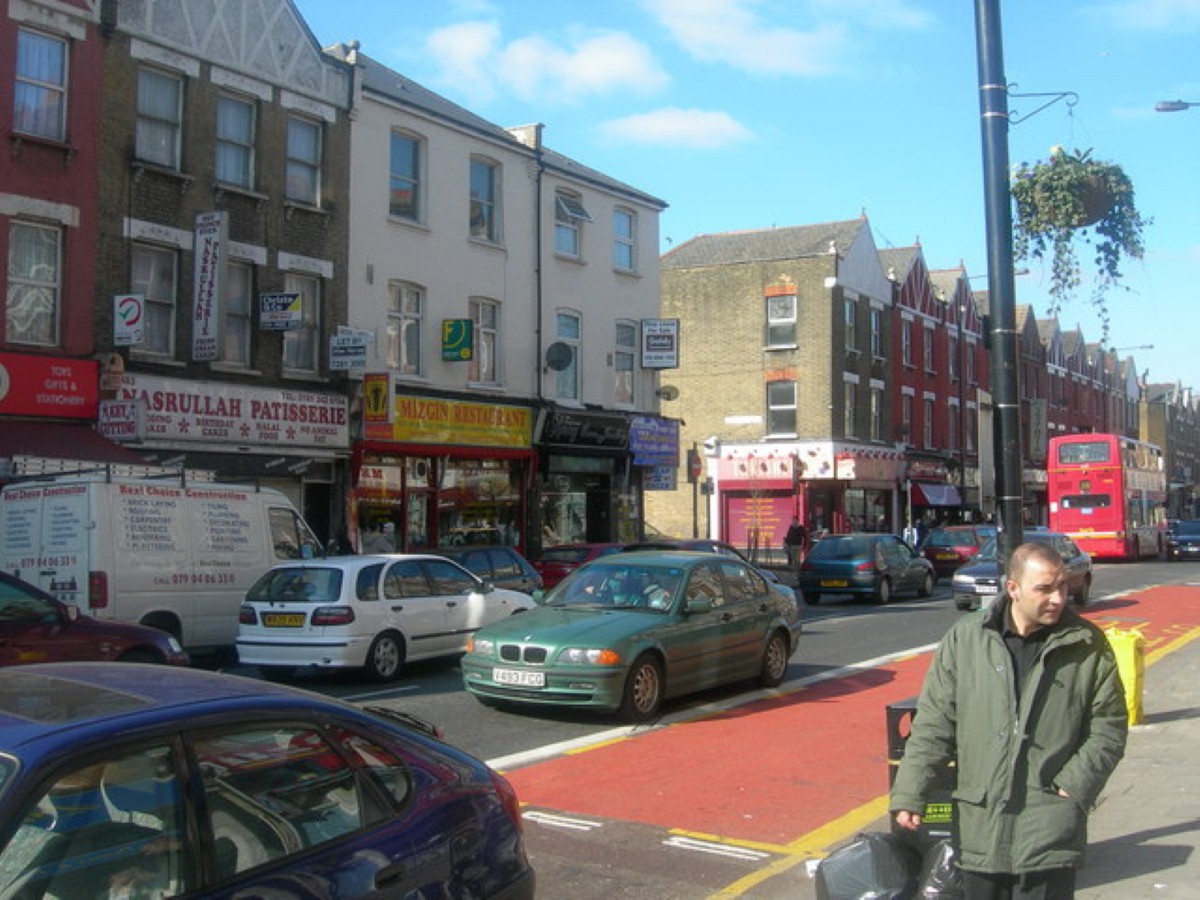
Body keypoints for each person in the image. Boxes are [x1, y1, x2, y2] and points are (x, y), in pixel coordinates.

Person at [890, 541, 1128, 899]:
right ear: (1013, 589)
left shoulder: (1086, 645)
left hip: (1050, 831)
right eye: (1044, 589)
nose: (1058, 599)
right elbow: (934, 723)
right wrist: (910, 792)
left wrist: (1073, 786)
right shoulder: (967, 639)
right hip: (979, 831)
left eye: (1062, 586)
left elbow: (1109, 726)